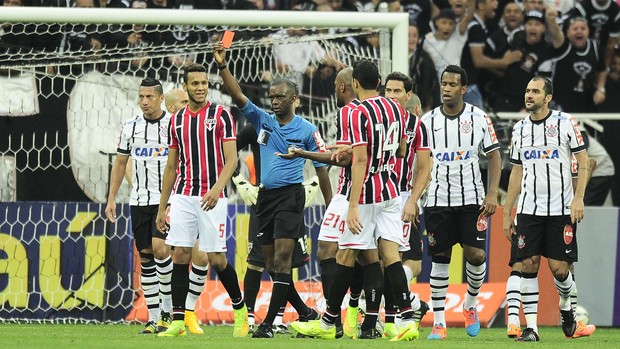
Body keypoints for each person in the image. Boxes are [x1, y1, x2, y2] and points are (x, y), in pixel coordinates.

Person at [291, 59, 423, 341]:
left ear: (355, 84)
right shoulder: (397, 109)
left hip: (365, 194)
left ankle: (327, 324)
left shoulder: (356, 112)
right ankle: (405, 321)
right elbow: (401, 151)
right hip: (390, 190)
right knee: (390, 255)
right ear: (378, 83)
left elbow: (360, 159)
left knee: (345, 254)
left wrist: (352, 206)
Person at [214, 42, 332, 339]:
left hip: (290, 197)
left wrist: (331, 206)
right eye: (272, 97)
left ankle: (266, 324)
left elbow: (323, 164)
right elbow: (238, 95)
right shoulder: (262, 121)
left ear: (295, 99)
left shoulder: (307, 130)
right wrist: (222, 66)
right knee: (269, 264)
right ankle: (305, 313)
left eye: (281, 97)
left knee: (281, 261)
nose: (275, 101)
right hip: (265, 198)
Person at [155, 64, 248, 338]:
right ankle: (178, 321)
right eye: (194, 83)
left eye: (204, 82)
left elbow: (232, 159)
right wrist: (163, 206)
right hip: (184, 195)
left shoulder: (221, 116)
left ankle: (241, 310)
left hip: (213, 196)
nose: (200, 87)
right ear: (185, 86)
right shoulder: (176, 121)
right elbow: (171, 167)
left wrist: (217, 188)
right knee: (179, 255)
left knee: (217, 258)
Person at [502, 75, 595, 342]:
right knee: (529, 264)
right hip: (529, 209)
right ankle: (531, 328)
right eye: (527, 90)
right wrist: (508, 211)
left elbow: (584, 159)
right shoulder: (519, 128)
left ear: (548, 97)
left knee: (559, 269)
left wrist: (579, 198)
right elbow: (516, 172)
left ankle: (567, 309)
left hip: (560, 209)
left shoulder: (565, 123)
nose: (529, 95)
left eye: (535, 91)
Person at [274, 67, 365, 338]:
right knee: (339, 251)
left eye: (336, 85)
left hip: (357, 193)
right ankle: (341, 317)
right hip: (350, 194)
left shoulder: (352, 112)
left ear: (342, 87)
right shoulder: (366, 111)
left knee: (365, 256)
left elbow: (344, 159)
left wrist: (305, 153)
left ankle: (360, 315)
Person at [421, 65, 501, 340]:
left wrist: (492, 194)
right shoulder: (428, 121)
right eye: (444, 84)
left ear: (463, 89)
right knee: (440, 259)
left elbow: (493, 156)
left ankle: (470, 304)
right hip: (438, 199)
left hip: (471, 199)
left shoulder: (479, 118)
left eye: (452, 84)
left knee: (476, 255)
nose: (446, 88)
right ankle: (439, 323)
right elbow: (421, 162)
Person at [105, 78, 173, 334]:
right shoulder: (130, 126)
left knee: (160, 249)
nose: (145, 101)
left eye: (150, 97)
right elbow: (121, 163)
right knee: (145, 256)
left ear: (160, 98)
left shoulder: (172, 126)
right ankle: (153, 317)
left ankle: (167, 310)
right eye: (141, 97)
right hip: (139, 200)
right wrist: (112, 198)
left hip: (165, 200)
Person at [382, 72, 432, 339]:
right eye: (387, 90)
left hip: (401, 197)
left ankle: (397, 316)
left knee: (406, 261)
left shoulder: (416, 126)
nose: (391, 96)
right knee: (375, 261)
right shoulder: (374, 119)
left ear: (408, 95)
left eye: (397, 91)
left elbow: (426, 168)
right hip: (374, 197)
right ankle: (409, 306)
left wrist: (413, 200)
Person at [161, 87, 210, 335]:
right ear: (171, 107)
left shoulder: (198, 124)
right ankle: (165, 313)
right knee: (168, 254)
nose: (189, 102)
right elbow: (167, 167)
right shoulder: (168, 128)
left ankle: (188, 312)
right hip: (172, 199)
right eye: (183, 100)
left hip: (199, 198)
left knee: (202, 257)